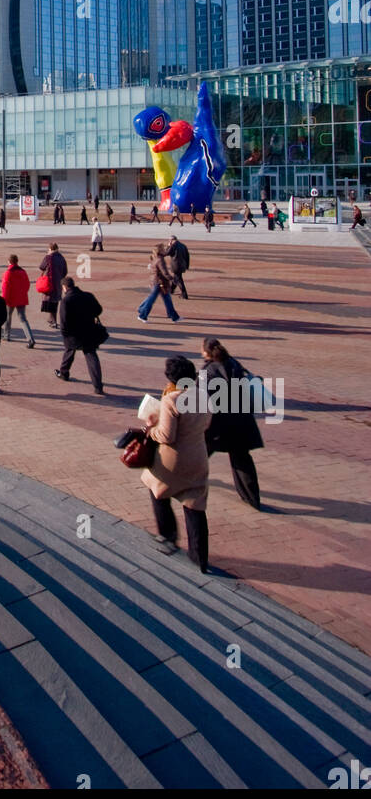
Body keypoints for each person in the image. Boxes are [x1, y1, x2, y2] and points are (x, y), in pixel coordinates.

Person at [141, 355, 211, 572]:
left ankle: (168, 535)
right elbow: (206, 424)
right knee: (195, 505)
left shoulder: (172, 400)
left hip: (173, 461)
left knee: (156, 488)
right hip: (198, 457)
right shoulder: (203, 396)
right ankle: (199, 557)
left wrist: (151, 428)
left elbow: (166, 435)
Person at [200, 337, 264, 510]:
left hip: (218, 422)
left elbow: (202, 397)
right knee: (242, 458)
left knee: (201, 452)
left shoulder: (207, 370)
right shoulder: (234, 364)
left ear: (206, 352)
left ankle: (184, 477)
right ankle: (252, 498)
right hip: (241, 419)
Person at [55, 276, 105, 394]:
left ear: (64, 287)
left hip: (73, 333)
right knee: (91, 356)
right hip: (89, 330)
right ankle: (98, 385)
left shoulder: (66, 300)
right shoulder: (88, 295)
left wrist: (64, 333)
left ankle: (64, 373)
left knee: (69, 351)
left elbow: (63, 320)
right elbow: (98, 310)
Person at [138, 243, 180, 323]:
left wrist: (169, 246)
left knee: (166, 299)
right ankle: (142, 315)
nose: (164, 249)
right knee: (152, 299)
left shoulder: (156, 257)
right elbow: (164, 272)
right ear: (160, 250)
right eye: (163, 248)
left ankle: (174, 316)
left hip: (157, 281)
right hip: (159, 282)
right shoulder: (160, 260)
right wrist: (172, 279)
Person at [1, 253, 34, 347]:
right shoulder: (23, 271)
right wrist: (23, 293)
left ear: (9, 262)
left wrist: (4, 299)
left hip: (10, 298)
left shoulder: (8, 272)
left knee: (8, 316)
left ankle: (6, 335)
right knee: (23, 318)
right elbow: (27, 284)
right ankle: (30, 338)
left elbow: (5, 287)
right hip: (21, 297)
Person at [38, 242, 67, 328]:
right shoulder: (62, 258)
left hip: (49, 282)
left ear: (50, 249)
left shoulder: (48, 257)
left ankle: (53, 321)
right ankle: (52, 319)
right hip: (58, 283)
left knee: (50, 300)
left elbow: (41, 267)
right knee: (55, 301)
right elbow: (65, 271)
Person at [165, 234, 190, 300]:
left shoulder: (173, 246)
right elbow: (187, 256)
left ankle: (184, 294)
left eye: (169, 240)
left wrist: (168, 246)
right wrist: (187, 265)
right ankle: (171, 290)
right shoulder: (183, 245)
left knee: (179, 279)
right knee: (176, 278)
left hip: (176, 265)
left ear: (171, 240)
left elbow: (166, 253)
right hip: (182, 265)